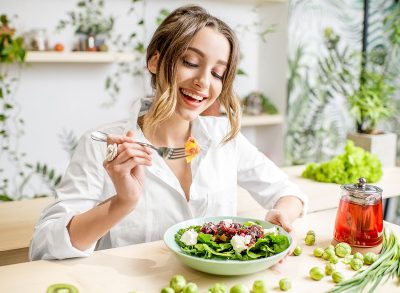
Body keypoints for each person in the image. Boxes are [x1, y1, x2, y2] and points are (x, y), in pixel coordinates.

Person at [29, 5, 308, 260]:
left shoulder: (224, 137)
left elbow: (288, 192)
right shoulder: (102, 144)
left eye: (217, 73)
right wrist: (122, 202)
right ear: (154, 62)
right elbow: (44, 247)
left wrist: (281, 216)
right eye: (190, 62)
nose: (202, 82)